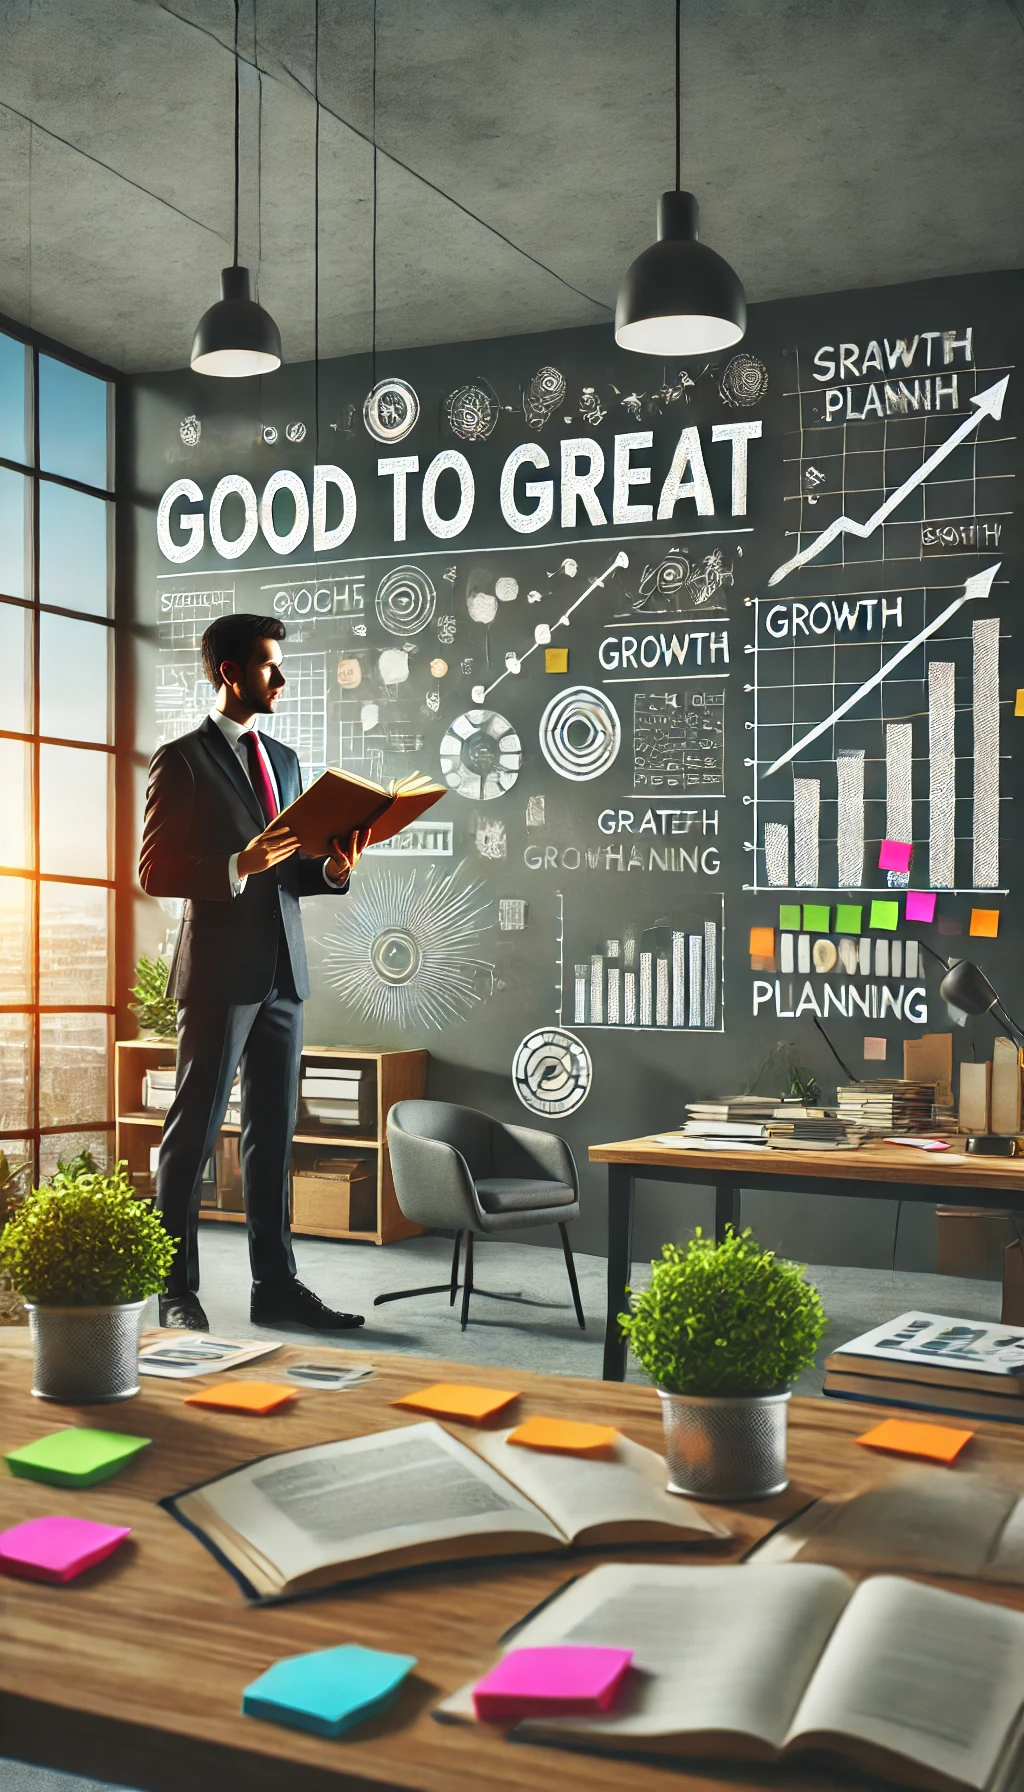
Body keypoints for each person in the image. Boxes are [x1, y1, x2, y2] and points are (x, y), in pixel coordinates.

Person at [139, 613, 370, 1332]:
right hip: (217, 975)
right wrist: (237, 864)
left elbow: (291, 874)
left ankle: (276, 1288)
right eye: (268, 665)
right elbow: (153, 870)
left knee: (273, 1136)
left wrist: (332, 868)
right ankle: (175, 1292)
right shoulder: (181, 760)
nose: (281, 678)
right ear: (229, 671)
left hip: (282, 974)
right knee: (195, 1132)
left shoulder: (290, 762)